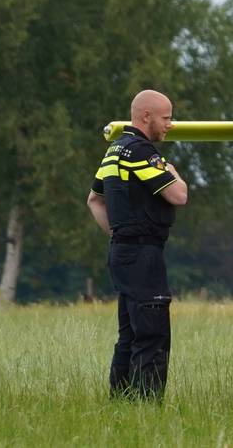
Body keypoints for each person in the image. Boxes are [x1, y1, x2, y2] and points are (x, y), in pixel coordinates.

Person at [85, 89, 189, 401]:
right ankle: (146, 406)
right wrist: (171, 171)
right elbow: (178, 196)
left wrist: (119, 232)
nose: (170, 125)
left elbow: (94, 200)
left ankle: (120, 401)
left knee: (129, 334)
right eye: (166, 118)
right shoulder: (142, 152)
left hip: (122, 251)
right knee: (152, 333)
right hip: (143, 254)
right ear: (146, 117)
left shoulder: (114, 151)